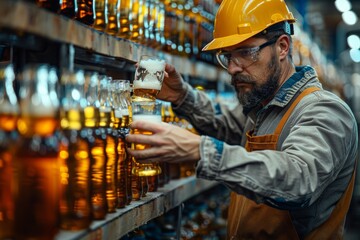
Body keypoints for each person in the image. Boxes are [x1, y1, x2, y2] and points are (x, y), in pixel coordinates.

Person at [126, 0, 359, 239]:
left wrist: (203, 152)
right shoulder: (263, 107)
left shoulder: (324, 110)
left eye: (245, 52)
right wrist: (182, 96)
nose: (232, 68)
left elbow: (297, 180)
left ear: (282, 47)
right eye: (227, 56)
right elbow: (224, 124)